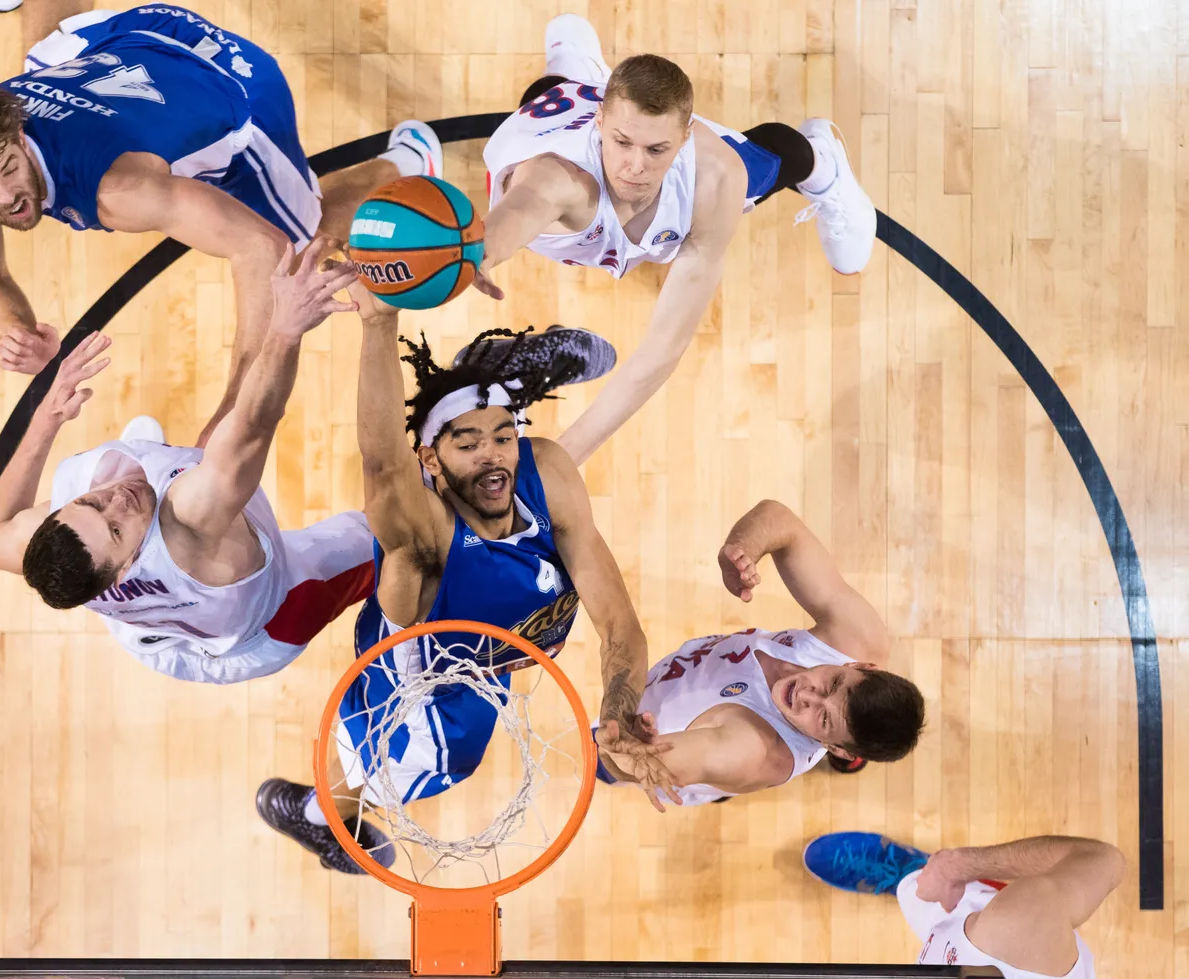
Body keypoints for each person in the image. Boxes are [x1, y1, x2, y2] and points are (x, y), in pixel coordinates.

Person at [255, 278, 679, 874]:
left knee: (359, 772)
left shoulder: (546, 469)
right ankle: (320, 815)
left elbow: (620, 625)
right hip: (421, 690)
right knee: (384, 771)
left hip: (485, 656)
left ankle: (489, 383)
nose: (494, 454)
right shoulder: (425, 536)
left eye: (504, 435)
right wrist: (379, 327)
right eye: (468, 443)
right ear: (430, 460)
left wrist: (620, 704)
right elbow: (381, 466)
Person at [0, 1, 442, 401]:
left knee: (303, 240)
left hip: (234, 84)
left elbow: (261, 248)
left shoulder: (116, 190)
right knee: (48, 45)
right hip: (129, 38)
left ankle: (406, 160)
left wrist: (235, 405)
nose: (6, 198)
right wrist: (17, 333)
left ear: (18, 127)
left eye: (10, 168)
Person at [462, 15, 877, 463]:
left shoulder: (714, 175)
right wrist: (480, 253)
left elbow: (662, 349)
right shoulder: (559, 180)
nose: (635, 166)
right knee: (545, 95)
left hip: (645, 169)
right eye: (622, 142)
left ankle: (826, 165)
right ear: (600, 122)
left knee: (781, 158)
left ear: (684, 137)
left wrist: (563, 459)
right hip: (561, 135)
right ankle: (579, 75)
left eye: (656, 150)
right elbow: (517, 212)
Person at [0, 239, 375, 685]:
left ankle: (152, 469)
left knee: (166, 466)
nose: (116, 501)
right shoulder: (192, 519)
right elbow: (254, 424)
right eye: (116, 528)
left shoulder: (71, 551)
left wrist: (48, 416)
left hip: (150, 641)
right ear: (124, 570)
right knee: (389, 538)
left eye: (91, 504)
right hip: (262, 629)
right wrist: (285, 329)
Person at [593, 500, 924, 805]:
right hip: (686, 675)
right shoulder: (859, 636)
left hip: (680, 739)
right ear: (860, 665)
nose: (808, 695)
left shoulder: (750, 752)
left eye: (823, 718)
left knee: (598, 763)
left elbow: (632, 765)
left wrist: (622, 741)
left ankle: (727, 787)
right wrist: (742, 550)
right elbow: (781, 522)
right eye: (834, 683)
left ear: (834, 747)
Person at [804, 831, 1122, 978]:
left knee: (935, 935)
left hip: (945, 950)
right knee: (936, 895)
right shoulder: (1020, 934)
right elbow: (1103, 862)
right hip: (992, 932)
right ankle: (916, 871)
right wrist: (958, 866)